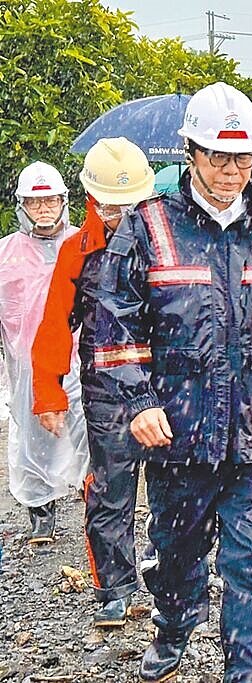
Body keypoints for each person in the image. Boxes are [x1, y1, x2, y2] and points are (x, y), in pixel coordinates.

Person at [91, 82, 252, 682]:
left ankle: (251, 672)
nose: (231, 170)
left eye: (243, 157)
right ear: (190, 151)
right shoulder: (148, 226)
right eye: (218, 155)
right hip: (177, 436)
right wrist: (136, 400)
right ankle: (174, 625)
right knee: (177, 558)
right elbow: (111, 320)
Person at [31, 138, 155, 627]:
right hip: (105, 389)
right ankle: (114, 589)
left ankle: (168, 579)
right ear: (88, 197)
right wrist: (48, 393)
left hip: (166, 386)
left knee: (174, 490)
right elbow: (54, 323)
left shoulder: (166, 244)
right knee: (110, 490)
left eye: (127, 204)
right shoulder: (76, 250)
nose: (116, 213)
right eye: (107, 203)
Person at [0, 161, 90, 545]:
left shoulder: (84, 244)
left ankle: (96, 505)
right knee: (33, 434)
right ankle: (41, 511)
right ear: (22, 206)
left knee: (89, 430)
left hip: (82, 359)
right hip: (27, 365)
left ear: (63, 201)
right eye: (35, 203)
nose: (44, 209)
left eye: (50, 200)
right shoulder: (6, 253)